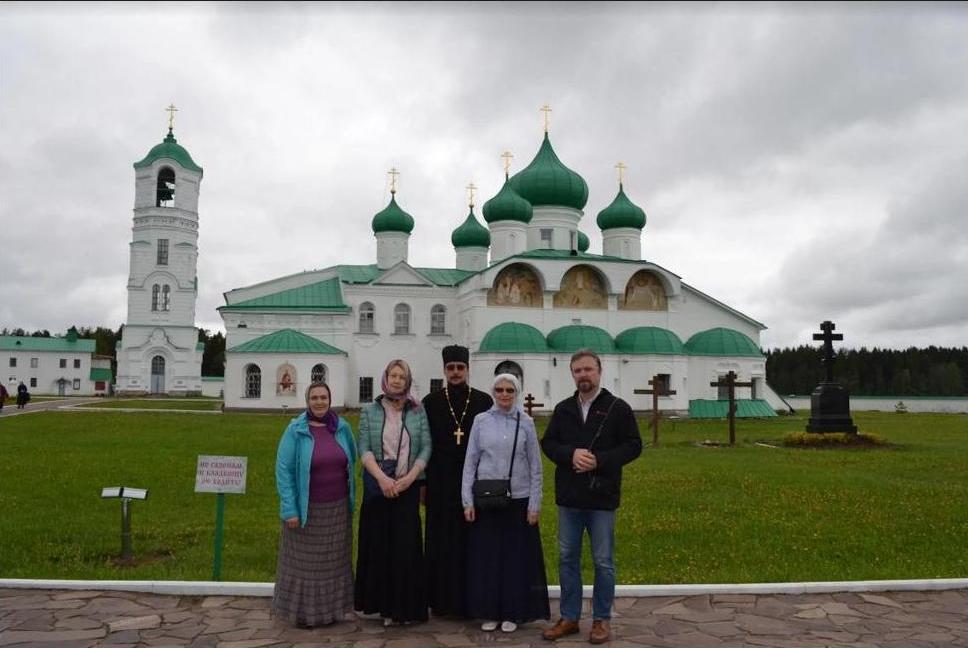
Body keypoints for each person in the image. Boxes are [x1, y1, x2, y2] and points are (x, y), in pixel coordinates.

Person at [540, 349, 642, 645]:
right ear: (572, 374)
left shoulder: (617, 408)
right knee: (567, 558)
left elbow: (633, 445)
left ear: (599, 371)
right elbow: (549, 443)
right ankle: (570, 617)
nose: (583, 375)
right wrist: (570, 454)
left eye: (588, 369)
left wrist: (600, 460)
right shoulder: (563, 409)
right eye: (578, 371)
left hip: (601, 498)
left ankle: (601, 620)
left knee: (603, 561)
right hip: (570, 497)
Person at [461, 373, 549, 633]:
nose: (504, 394)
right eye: (499, 389)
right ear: (493, 392)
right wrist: (467, 500)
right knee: (488, 558)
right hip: (488, 499)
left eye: (510, 390)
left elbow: (535, 466)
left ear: (517, 392)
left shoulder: (526, 423)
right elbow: (470, 462)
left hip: (518, 499)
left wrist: (535, 504)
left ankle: (512, 611)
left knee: (514, 559)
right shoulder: (481, 421)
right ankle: (489, 611)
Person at [272, 382, 358, 627]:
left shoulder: (341, 428)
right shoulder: (296, 430)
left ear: (330, 400)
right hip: (306, 510)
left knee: (333, 563)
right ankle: (305, 615)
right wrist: (289, 509)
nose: (319, 402)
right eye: (314, 398)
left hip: (338, 509)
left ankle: (332, 612)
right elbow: (284, 470)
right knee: (305, 565)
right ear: (307, 401)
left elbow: (351, 460)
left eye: (324, 397)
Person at [355, 359, 432, 626]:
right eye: (393, 375)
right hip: (380, 487)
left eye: (402, 376)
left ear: (408, 380)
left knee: (405, 549)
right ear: (386, 378)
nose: (397, 380)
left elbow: (425, 447)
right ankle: (385, 607)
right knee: (381, 547)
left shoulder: (417, 411)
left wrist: (410, 478)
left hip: (407, 487)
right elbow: (363, 447)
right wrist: (383, 479)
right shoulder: (371, 411)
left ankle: (406, 608)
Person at [421, 345, 493, 618]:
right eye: (450, 368)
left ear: (467, 369)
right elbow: (424, 445)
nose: (455, 372)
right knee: (441, 540)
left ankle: (471, 598)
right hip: (439, 482)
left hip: (473, 481)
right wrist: (424, 483)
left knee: (470, 539)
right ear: (444, 370)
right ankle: (440, 600)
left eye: (459, 368)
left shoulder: (483, 401)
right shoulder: (431, 402)